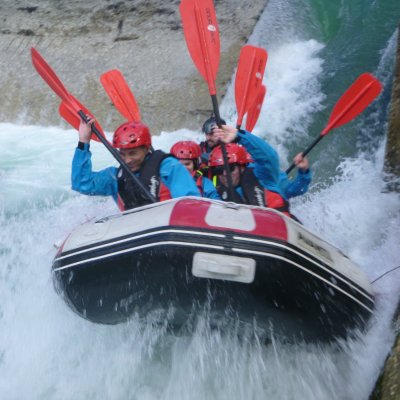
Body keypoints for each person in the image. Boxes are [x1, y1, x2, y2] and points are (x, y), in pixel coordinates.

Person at [72, 117, 201, 211]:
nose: (127, 160)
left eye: (133, 153)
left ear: (147, 148)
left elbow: (190, 204)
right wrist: (83, 141)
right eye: (123, 154)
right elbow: (81, 184)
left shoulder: (169, 167)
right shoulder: (115, 177)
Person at [208, 124, 291, 215]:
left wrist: (238, 136)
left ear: (242, 167)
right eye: (219, 170)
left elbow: (269, 157)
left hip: (279, 225)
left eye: (230, 168)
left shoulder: (262, 177)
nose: (224, 173)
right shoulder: (217, 196)